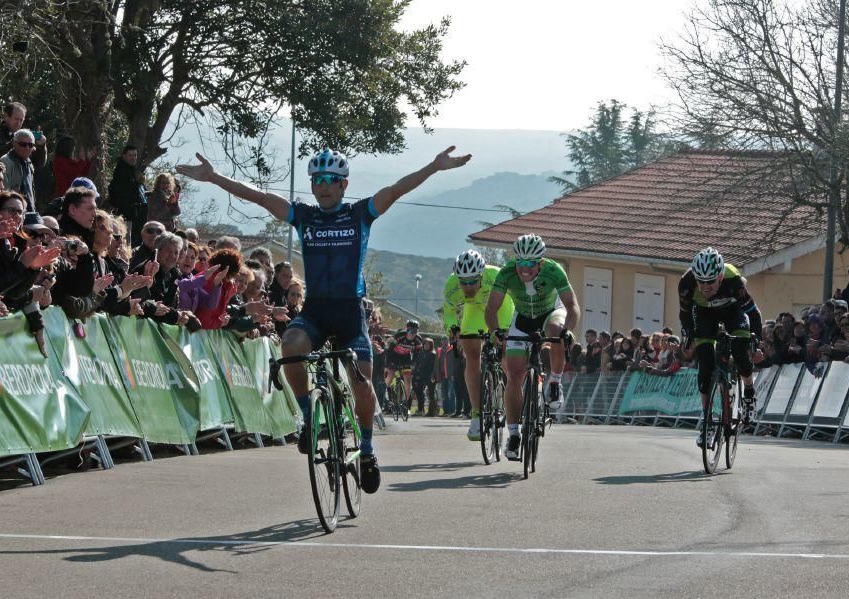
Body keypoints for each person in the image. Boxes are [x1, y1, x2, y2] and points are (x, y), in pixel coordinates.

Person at [177, 145, 471, 494]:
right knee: (290, 348)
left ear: (344, 185)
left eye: (332, 179)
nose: (324, 185)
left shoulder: (359, 214)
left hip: (349, 310)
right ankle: (307, 418)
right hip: (316, 309)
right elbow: (260, 197)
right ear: (312, 185)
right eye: (318, 180)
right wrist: (213, 177)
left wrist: (433, 167)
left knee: (362, 382)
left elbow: (395, 190)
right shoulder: (304, 216)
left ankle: (366, 449)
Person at [485, 233, 580, 460]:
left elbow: (572, 305)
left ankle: (555, 381)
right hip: (523, 319)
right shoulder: (507, 272)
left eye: (530, 263)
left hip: (550, 313)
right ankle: (514, 434)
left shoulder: (554, 270)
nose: (524, 269)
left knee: (555, 332)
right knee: (515, 372)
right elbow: (491, 308)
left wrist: (568, 331)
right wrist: (496, 330)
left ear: (540, 262)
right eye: (521, 262)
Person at [678, 247, 762, 448]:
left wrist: (756, 340)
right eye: (701, 281)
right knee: (705, 366)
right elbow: (685, 314)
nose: (705, 287)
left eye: (710, 281)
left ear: (721, 276)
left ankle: (749, 393)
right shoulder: (687, 284)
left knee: (742, 353)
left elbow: (753, 312)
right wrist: (689, 336)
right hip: (704, 314)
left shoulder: (733, 281)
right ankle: (706, 423)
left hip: (732, 312)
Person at [442, 249, 514, 440]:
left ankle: (514, 393)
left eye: (473, 281)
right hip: (474, 312)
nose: (468, 286)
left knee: (506, 353)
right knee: (472, 357)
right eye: (463, 282)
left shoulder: (495, 276)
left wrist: (501, 330)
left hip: (500, 308)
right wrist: (453, 327)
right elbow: (449, 312)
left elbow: (509, 302)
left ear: (481, 275)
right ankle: (476, 414)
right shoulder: (451, 285)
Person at [108, 145, 148, 244]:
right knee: (126, 241)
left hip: (131, 213)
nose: (133, 158)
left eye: (135, 155)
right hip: (125, 214)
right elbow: (123, 191)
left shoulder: (129, 170)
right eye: (130, 155)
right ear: (124, 156)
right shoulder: (121, 170)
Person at [384, 319, 424, 410]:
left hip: (405, 357)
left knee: (408, 379)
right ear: (406, 329)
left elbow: (417, 354)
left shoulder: (418, 340)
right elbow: (389, 350)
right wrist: (387, 364)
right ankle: (385, 391)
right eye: (410, 330)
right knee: (390, 375)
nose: (412, 333)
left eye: (415, 331)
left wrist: (414, 364)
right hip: (393, 355)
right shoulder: (399, 335)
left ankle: (406, 401)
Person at [0, 130, 43, 212]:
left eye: (30, 145)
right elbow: (4, 193)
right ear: (14, 143)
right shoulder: (6, 161)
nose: (27, 148)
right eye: (23, 144)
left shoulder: (28, 162)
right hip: (13, 212)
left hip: (29, 211)